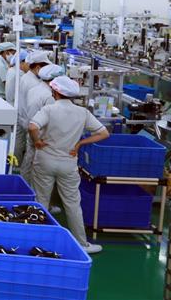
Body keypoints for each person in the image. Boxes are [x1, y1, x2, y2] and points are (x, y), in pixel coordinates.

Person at [28, 76, 109, 254]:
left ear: (56, 92)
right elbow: (104, 133)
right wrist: (80, 144)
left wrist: (37, 141)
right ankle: (82, 244)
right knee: (72, 204)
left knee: (41, 200)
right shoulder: (82, 112)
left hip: (45, 160)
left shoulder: (49, 109)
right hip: (68, 162)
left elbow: (33, 126)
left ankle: (36, 238)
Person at [21, 64, 65, 186]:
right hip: (40, 135)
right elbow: (52, 120)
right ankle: (33, 190)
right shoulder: (49, 96)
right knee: (38, 168)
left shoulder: (35, 89)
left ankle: (24, 186)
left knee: (29, 160)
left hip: (31, 129)